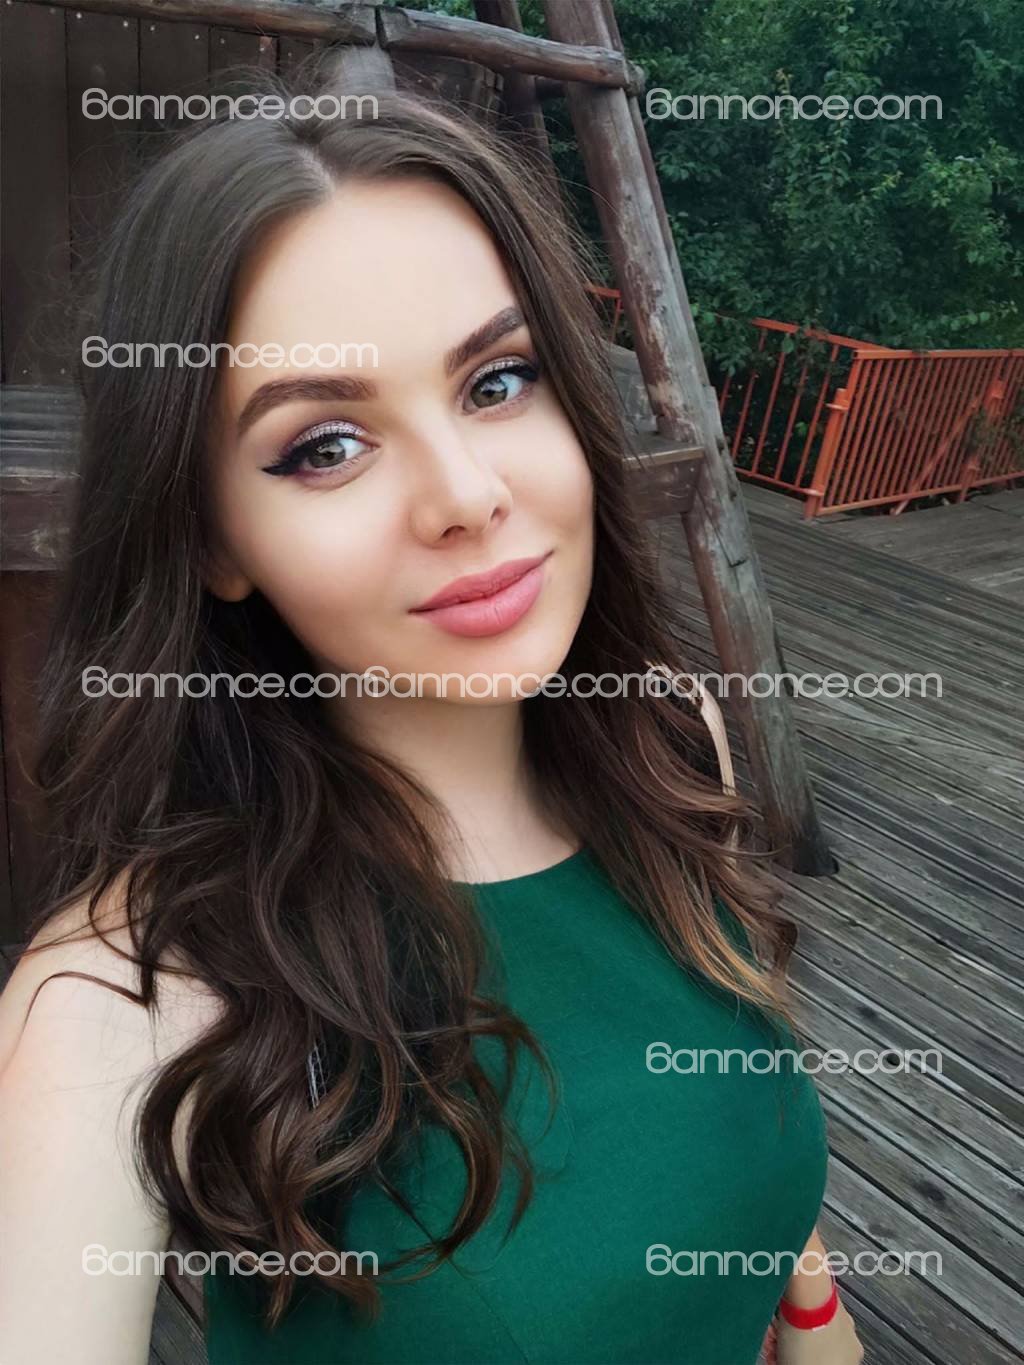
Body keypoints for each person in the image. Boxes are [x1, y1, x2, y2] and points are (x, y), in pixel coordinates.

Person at [0, 74, 863, 1365]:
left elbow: (742, 1107)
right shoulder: (119, 998)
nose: (465, 494)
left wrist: (810, 1315)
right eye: (325, 445)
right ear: (213, 540)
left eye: (499, 380)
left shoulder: (673, 740)